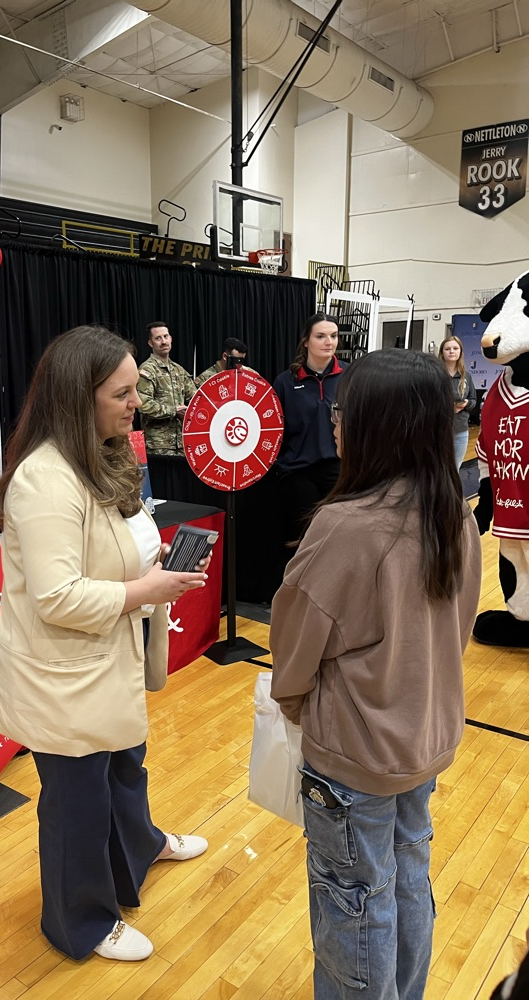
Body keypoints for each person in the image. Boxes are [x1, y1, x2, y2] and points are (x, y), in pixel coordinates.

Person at [0, 325, 209, 963]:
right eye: (123, 393)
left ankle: (139, 848)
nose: (137, 401)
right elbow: (58, 597)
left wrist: (158, 566)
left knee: (123, 769)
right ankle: (80, 922)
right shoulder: (44, 480)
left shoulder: (107, 456)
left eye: (135, 389)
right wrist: (145, 590)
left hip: (107, 660)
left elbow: (115, 548)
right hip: (66, 676)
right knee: (77, 804)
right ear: (77, 398)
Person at [269, 349, 482, 999]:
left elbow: (293, 649)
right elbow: (458, 629)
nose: (334, 423)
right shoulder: (453, 511)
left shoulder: (347, 527)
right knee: (408, 877)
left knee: (355, 898)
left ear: (374, 425)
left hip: (356, 755)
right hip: (424, 739)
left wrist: (299, 709)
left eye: (342, 411)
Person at [271, 313, 345, 582]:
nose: (329, 342)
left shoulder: (349, 375)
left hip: (338, 469)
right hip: (298, 471)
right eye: (321, 336)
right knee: (302, 539)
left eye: (333, 336)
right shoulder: (285, 381)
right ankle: (298, 590)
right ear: (306, 341)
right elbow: (274, 428)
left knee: (338, 536)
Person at [137, 321, 196, 456]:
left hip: (182, 444)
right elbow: (143, 405)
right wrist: (174, 410)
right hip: (158, 446)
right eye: (158, 338)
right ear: (150, 343)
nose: (163, 342)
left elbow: (195, 397)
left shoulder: (178, 370)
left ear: (171, 339)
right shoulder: (147, 370)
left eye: (165, 336)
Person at [439, 334, 476, 468]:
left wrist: (466, 404)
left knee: (455, 468)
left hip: (461, 430)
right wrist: (449, 408)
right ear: (442, 353)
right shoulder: (436, 374)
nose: (451, 351)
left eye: (455, 348)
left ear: (460, 352)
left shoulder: (467, 376)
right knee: (439, 468)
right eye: (447, 349)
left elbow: (473, 400)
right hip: (439, 430)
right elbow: (428, 402)